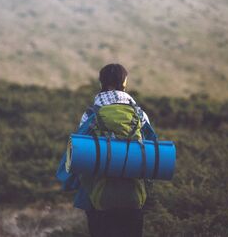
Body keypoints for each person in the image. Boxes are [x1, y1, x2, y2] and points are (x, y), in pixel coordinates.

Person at [56, 63, 158, 237]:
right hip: (133, 195)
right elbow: (152, 154)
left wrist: (69, 182)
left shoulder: (91, 115)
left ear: (101, 82)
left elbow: (77, 154)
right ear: (124, 82)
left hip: (96, 197)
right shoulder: (140, 115)